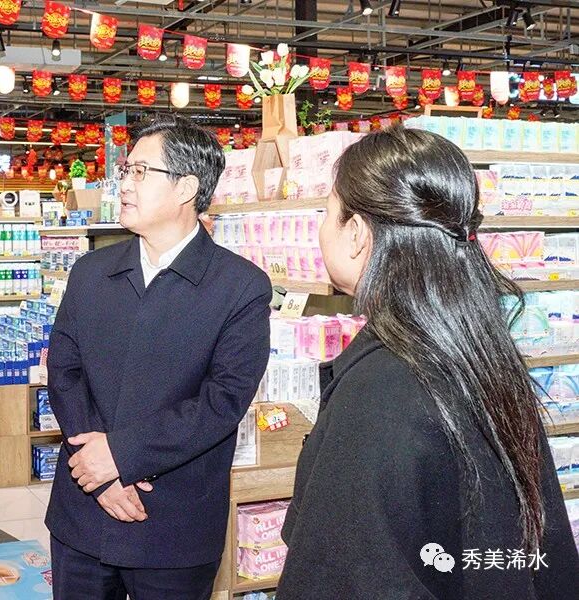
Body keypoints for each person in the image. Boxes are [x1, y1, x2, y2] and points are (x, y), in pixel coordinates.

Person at [276, 126, 579, 598]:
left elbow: (346, 573)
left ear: (356, 233)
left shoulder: (380, 387)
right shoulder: (481, 355)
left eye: (328, 212)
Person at [45, 114, 272, 599]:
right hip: (83, 509)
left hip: (173, 521)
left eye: (140, 172)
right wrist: (96, 468)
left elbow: (222, 401)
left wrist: (122, 456)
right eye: (126, 171)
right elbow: (64, 371)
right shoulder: (91, 272)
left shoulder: (240, 287)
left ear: (186, 188)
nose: (124, 184)